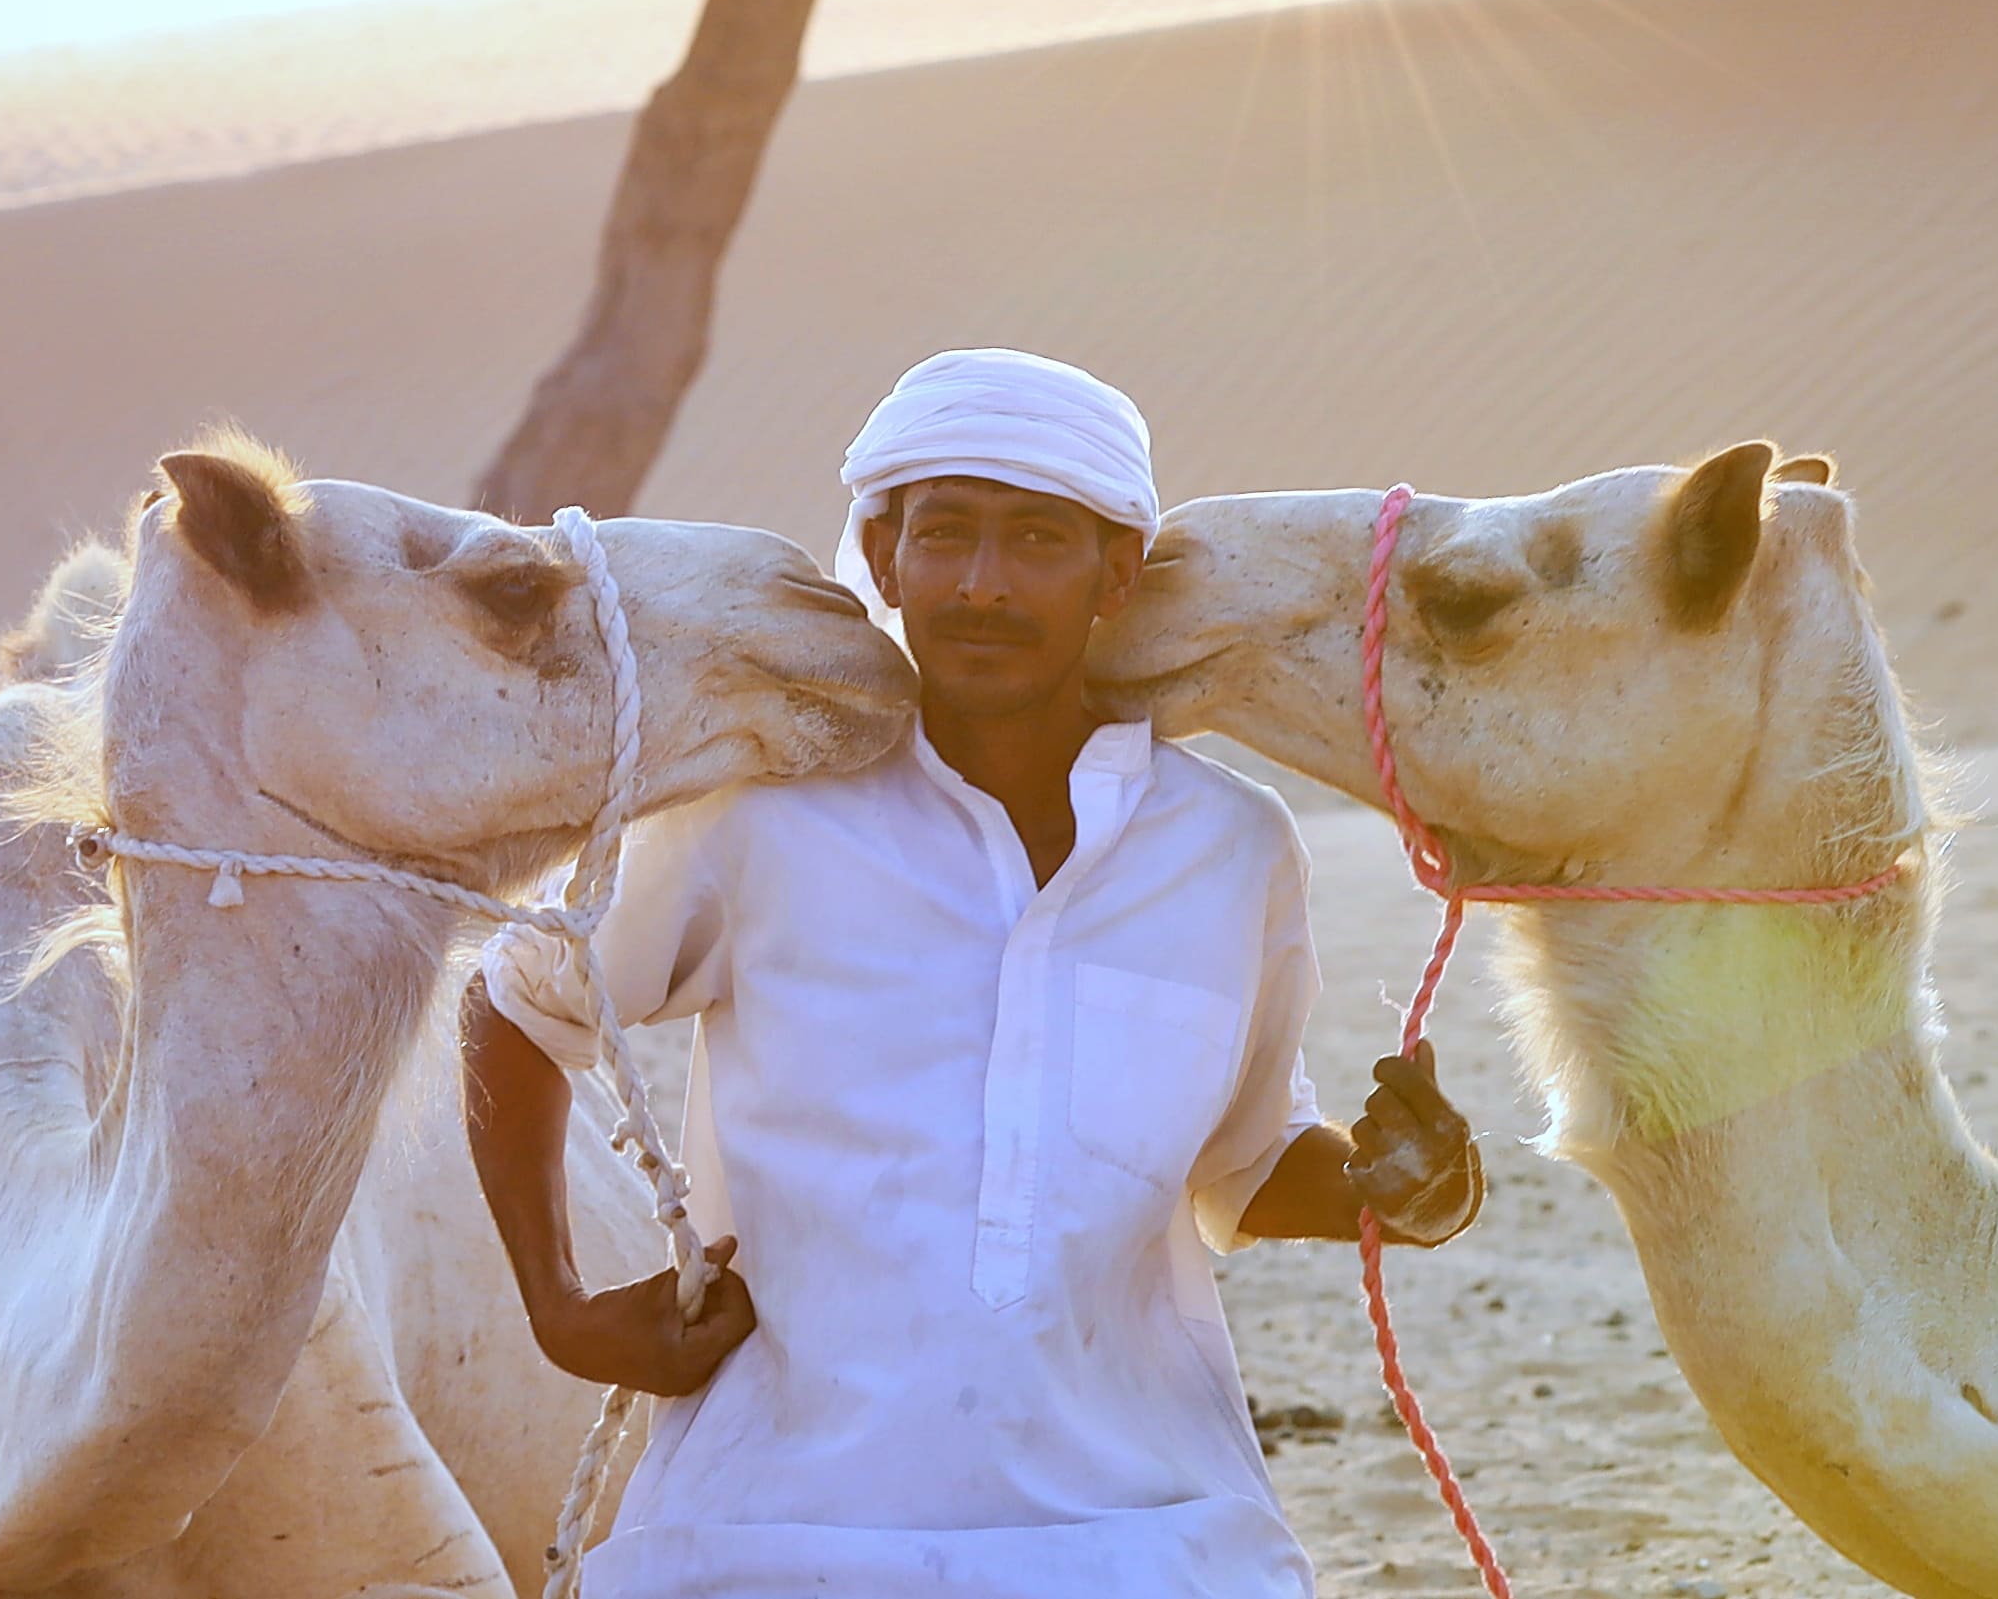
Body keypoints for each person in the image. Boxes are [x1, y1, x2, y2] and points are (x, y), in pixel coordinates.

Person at [462, 347, 1484, 1597]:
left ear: (1118, 570)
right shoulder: (758, 815)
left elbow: (1247, 1163)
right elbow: (516, 1003)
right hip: (771, 1531)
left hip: (1147, 1531)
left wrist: (1412, 1191)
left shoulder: (1229, 849)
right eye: (943, 534)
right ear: (882, 557)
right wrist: (558, 1304)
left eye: (1039, 540)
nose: (982, 586)